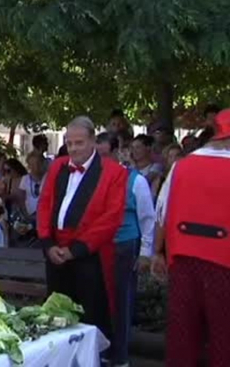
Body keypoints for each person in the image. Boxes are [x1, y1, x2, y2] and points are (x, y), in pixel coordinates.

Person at [37, 116, 127, 358]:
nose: (73, 148)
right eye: (69, 143)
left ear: (92, 142)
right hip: (55, 252)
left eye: (79, 142)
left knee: (91, 316)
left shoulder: (115, 173)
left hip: (90, 255)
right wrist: (47, 242)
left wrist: (76, 249)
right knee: (57, 315)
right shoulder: (57, 166)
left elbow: (111, 219)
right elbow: (45, 203)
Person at [153, 108, 230, 367]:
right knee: (224, 340)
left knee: (182, 339)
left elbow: (161, 213)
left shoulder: (181, 167)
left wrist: (157, 252)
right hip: (224, 265)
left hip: (183, 261)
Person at [96, 132, 156, 367]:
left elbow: (148, 219)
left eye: (104, 155)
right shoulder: (91, 181)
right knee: (98, 299)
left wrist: (145, 253)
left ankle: (120, 355)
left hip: (124, 246)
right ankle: (101, 349)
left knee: (121, 301)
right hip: (97, 246)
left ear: (116, 151)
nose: (100, 160)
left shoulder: (135, 180)